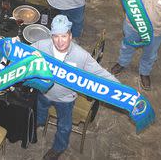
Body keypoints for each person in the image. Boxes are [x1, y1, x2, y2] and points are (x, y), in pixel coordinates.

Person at [33, 15, 119, 159]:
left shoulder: (81, 56)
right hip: (44, 92)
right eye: (56, 36)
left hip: (66, 100)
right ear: (51, 36)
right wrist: (14, 46)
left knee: (64, 127)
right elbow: (23, 53)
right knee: (39, 110)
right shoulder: (41, 45)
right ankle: (38, 123)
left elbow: (100, 73)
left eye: (64, 36)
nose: (60, 41)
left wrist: (121, 88)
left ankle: (58, 148)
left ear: (70, 35)